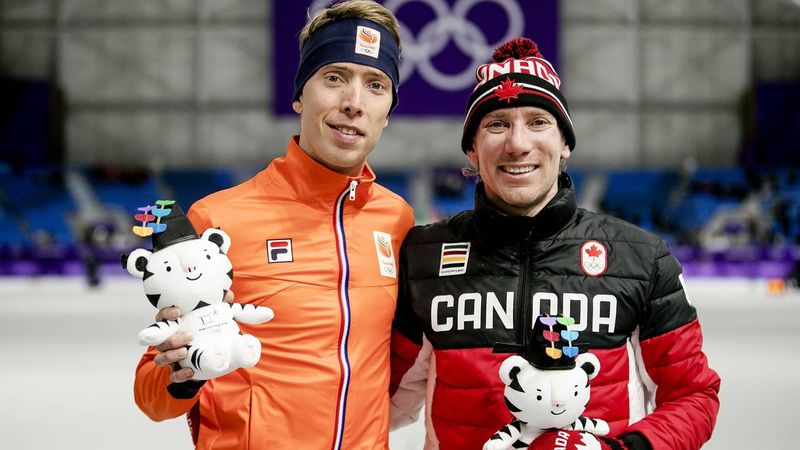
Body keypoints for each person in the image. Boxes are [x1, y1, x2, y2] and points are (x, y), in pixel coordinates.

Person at [389, 37, 720, 450]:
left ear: (565, 144)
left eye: (538, 122)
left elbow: (693, 394)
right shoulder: (425, 257)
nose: (518, 143)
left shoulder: (640, 257)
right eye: (496, 124)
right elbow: (376, 398)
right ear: (472, 150)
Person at [133, 1, 415, 448]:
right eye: (335, 78)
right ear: (300, 94)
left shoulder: (396, 219)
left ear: (388, 110)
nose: (353, 103)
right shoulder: (217, 220)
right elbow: (152, 399)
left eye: (375, 85)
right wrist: (180, 376)